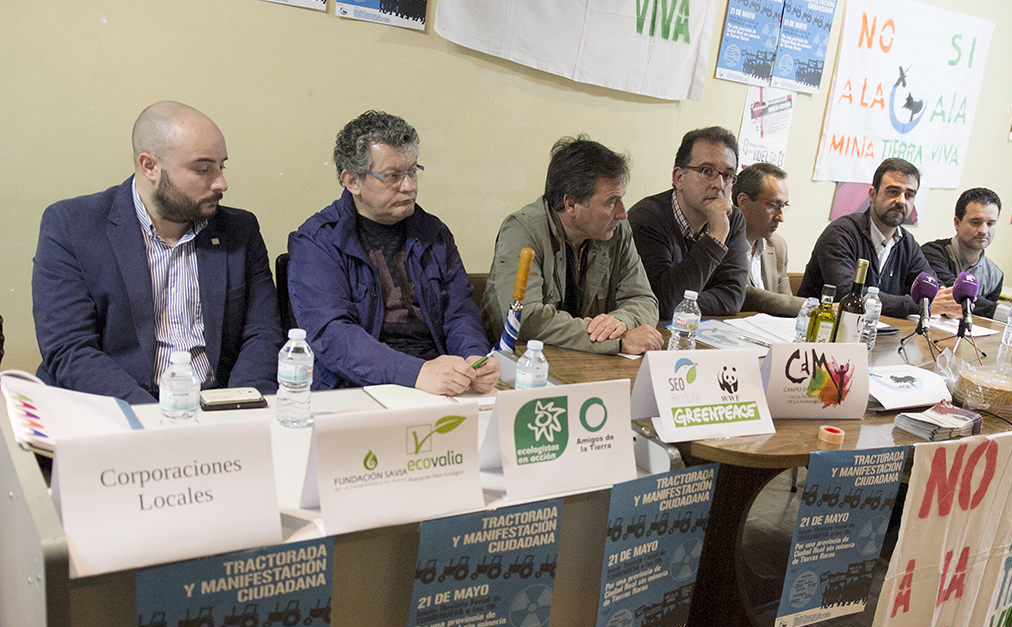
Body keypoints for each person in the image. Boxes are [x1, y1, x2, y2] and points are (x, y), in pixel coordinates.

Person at [31, 101, 283, 404]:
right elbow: (69, 348)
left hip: (217, 403)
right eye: (203, 169)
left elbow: (263, 334)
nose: (221, 183)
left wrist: (239, 406)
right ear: (149, 166)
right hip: (119, 407)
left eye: (221, 166)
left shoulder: (239, 229)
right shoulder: (72, 225)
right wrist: (151, 421)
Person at [287, 111, 498, 396]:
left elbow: (459, 312)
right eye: (392, 176)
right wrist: (416, 373)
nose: (409, 186)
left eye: (412, 171)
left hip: (439, 381)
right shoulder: (317, 242)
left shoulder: (433, 233)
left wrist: (474, 358)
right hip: (357, 386)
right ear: (352, 181)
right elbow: (334, 336)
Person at [483, 136, 661, 354]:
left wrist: (618, 322)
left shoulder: (617, 231)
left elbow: (643, 299)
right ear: (571, 204)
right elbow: (525, 318)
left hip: (585, 361)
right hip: (519, 363)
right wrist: (615, 341)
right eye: (611, 201)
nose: (623, 213)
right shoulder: (522, 231)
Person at [629, 126, 750, 320]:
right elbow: (661, 303)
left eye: (727, 175)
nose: (719, 185)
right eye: (706, 171)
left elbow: (733, 298)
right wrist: (715, 238)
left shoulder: (733, 219)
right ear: (678, 178)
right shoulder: (647, 218)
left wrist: (686, 302)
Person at [799, 158, 935, 318]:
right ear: (873, 194)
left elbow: (930, 284)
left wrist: (940, 299)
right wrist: (918, 305)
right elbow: (847, 294)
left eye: (909, 195)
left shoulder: (907, 243)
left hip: (880, 332)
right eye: (893, 192)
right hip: (820, 329)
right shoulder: (841, 233)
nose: (901, 201)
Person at [733, 163, 804, 317]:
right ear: (743, 201)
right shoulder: (722, 241)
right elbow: (745, 295)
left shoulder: (778, 246)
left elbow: (787, 302)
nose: (781, 217)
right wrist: (809, 307)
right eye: (773, 205)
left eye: (783, 206)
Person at [922, 188, 1005, 318]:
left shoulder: (995, 275)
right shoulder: (933, 253)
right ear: (957, 223)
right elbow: (955, 293)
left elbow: (982, 317)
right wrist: (1007, 313)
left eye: (990, 223)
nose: (983, 230)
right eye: (976, 222)